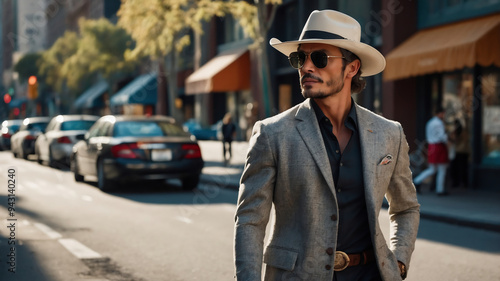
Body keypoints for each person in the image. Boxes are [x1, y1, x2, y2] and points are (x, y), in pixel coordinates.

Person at [234, 10, 420, 281]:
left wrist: (399, 261)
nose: (307, 67)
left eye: (320, 58)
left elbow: (406, 207)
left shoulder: (389, 132)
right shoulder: (272, 133)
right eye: (300, 58)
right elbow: (250, 219)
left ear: (352, 68)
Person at [413, 107, 449, 195]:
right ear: (440, 113)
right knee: (442, 169)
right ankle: (440, 190)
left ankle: (417, 181)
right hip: (439, 146)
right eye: (443, 113)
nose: (444, 115)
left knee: (432, 169)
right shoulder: (439, 123)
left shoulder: (430, 122)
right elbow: (442, 137)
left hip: (431, 146)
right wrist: (448, 138)